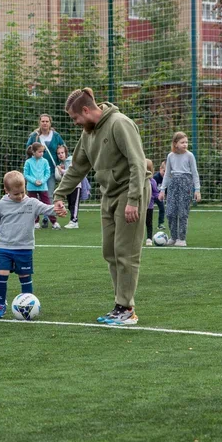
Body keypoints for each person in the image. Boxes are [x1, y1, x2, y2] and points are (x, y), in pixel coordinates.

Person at [52, 87, 149, 327]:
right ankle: (120, 305)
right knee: (110, 251)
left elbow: (137, 163)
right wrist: (59, 194)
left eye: (75, 118)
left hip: (130, 191)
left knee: (126, 252)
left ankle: (127, 308)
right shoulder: (88, 133)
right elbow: (77, 168)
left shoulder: (119, 123)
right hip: (108, 195)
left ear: (86, 110)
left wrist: (133, 200)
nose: (75, 123)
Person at [0, 170, 58, 318]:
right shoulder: (0, 205)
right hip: (5, 248)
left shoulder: (31, 203)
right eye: (16, 194)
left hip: (24, 248)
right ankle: (0, 303)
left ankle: (28, 303)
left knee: (24, 276)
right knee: (1, 274)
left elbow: (47, 208)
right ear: (6, 190)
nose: (20, 196)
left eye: (22, 192)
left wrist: (58, 209)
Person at [164, 131, 200, 247]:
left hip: (186, 184)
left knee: (182, 212)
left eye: (186, 142)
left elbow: (194, 173)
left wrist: (197, 190)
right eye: (182, 142)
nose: (185, 144)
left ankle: (182, 238)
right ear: (175, 144)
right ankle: (173, 237)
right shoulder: (170, 156)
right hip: (173, 184)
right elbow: (167, 173)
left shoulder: (189, 156)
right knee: (170, 212)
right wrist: (162, 189)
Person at [26, 114, 67, 195]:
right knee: (35, 195)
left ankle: (49, 208)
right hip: (35, 171)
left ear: (50, 123)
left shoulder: (56, 136)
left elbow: (64, 149)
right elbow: (28, 150)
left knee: (49, 195)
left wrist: (62, 163)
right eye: (43, 121)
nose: (45, 123)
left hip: (50, 170)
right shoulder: (34, 136)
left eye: (47, 121)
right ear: (39, 123)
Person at [22, 141, 60, 229]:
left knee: (47, 204)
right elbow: (26, 174)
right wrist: (34, 181)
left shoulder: (45, 161)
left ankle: (54, 222)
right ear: (33, 152)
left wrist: (42, 181)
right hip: (32, 187)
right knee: (32, 205)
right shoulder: (28, 162)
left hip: (43, 187)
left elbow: (48, 173)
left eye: (42, 151)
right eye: (39, 152)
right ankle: (35, 222)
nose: (41, 153)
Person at [55, 143, 82, 229]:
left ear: (66, 153)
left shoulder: (71, 160)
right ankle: (72, 220)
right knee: (70, 204)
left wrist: (62, 170)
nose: (60, 155)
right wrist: (59, 172)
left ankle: (74, 221)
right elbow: (61, 178)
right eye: (58, 153)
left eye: (62, 152)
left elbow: (70, 172)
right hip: (68, 187)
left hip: (76, 186)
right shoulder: (62, 163)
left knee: (74, 204)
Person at [144, 159, 160, 246]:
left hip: (149, 206)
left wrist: (158, 197)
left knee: (148, 222)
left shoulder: (152, 181)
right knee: (138, 223)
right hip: (139, 206)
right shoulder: (138, 180)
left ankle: (149, 238)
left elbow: (155, 192)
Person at [153, 160, 166, 231]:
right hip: (152, 196)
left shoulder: (166, 179)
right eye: (164, 171)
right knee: (148, 210)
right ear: (160, 169)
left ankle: (160, 224)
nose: (165, 173)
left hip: (159, 197)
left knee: (162, 209)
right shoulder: (155, 177)